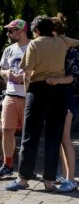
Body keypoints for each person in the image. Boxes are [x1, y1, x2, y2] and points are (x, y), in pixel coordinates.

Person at [6, 16, 79, 192]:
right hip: (59, 92)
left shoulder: (34, 44)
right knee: (54, 137)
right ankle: (49, 181)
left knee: (30, 136)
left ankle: (23, 179)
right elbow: (76, 42)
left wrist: (27, 92)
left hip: (38, 90)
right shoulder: (62, 41)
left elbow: (27, 73)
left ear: (37, 31)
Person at [45, 16, 78, 193]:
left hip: (67, 97)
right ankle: (65, 175)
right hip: (55, 97)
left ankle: (71, 179)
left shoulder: (70, 50)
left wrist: (57, 80)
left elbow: (73, 77)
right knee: (58, 139)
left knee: (65, 137)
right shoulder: (54, 48)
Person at [0, 19, 31, 178]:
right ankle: (7, 165)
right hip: (10, 94)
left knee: (28, 133)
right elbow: (2, 70)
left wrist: (24, 77)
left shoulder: (34, 46)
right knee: (6, 130)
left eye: (10, 31)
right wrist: (7, 73)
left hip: (27, 95)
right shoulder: (9, 50)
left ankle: (27, 167)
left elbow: (41, 70)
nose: (8, 34)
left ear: (20, 31)